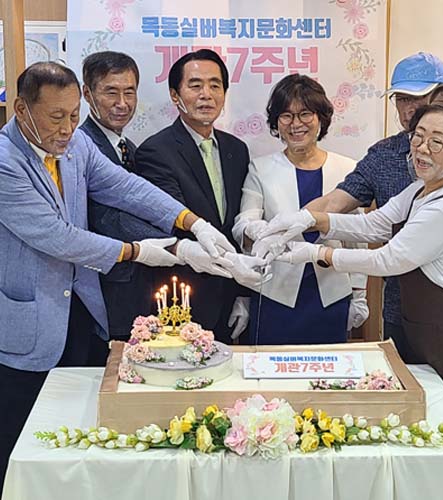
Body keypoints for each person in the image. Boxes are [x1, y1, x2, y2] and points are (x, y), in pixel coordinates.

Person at [0, 61, 263, 489]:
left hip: (83, 311)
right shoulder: (5, 161)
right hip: (29, 322)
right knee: (19, 441)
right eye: (55, 117)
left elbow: (127, 188)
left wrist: (193, 223)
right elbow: (55, 236)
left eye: (73, 115)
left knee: (76, 435)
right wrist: (141, 252)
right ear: (22, 110)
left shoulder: (76, 145)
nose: (67, 129)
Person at [257, 84, 443, 455]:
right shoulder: (422, 189)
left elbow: (388, 259)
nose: (422, 149)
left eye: (437, 142)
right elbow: (375, 223)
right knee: (432, 433)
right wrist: (310, 219)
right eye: (418, 136)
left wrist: (317, 254)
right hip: (434, 327)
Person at [306, 52, 443, 347]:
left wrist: (318, 254)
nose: (409, 109)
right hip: (402, 304)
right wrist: (294, 223)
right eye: (401, 99)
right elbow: (354, 212)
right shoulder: (388, 157)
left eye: (418, 99)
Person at [232, 74, 368, 344]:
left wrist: (359, 293)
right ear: (276, 122)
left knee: (328, 368)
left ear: (320, 118)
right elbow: (243, 224)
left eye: (305, 114)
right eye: (286, 116)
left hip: (331, 293)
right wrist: (256, 230)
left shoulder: (347, 169)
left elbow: (357, 238)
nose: (296, 124)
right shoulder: (261, 168)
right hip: (275, 293)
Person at [135, 49, 251, 344]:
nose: (206, 95)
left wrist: (243, 293)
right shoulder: (155, 151)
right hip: (180, 299)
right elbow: (172, 221)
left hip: (228, 295)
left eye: (215, 85)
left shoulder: (237, 150)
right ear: (175, 95)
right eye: (195, 85)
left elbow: (237, 225)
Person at [80, 51, 166, 358]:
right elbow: (105, 217)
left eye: (129, 92)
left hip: (140, 290)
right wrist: (179, 245)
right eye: (111, 92)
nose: (122, 103)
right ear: (87, 94)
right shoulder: (80, 146)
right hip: (104, 295)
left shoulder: (130, 147)